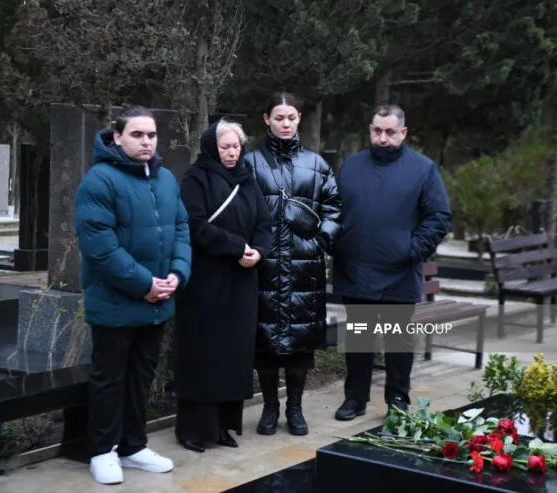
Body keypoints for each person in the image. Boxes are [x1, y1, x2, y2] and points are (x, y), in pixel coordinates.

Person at [75, 105, 191, 485]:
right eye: (137, 135)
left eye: (151, 135)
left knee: (142, 377)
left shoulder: (166, 179)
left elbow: (181, 228)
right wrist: (145, 284)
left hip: (156, 302)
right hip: (116, 302)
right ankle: (103, 450)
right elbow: (100, 248)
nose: (146, 142)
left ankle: (133, 445)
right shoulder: (99, 180)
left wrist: (177, 273)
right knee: (109, 378)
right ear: (117, 137)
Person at [331, 103, 451, 421]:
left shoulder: (423, 169)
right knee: (359, 340)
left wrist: (411, 250)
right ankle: (354, 399)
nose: (382, 138)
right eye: (377, 131)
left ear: (403, 132)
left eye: (390, 132)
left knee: (398, 343)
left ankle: (397, 400)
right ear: (370, 130)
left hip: (399, 273)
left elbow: (439, 216)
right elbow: (333, 210)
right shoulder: (352, 166)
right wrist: (338, 244)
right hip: (356, 271)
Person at [244, 92, 342, 437]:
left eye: (291, 117)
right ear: (267, 119)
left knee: (301, 344)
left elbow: (334, 207)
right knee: (266, 343)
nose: (285, 124)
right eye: (278, 117)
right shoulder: (250, 162)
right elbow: (240, 208)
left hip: (304, 269)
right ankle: (270, 407)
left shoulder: (317, 164)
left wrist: (320, 241)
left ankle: (295, 409)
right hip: (264, 267)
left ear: (299, 118)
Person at [173, 118, 274, 453]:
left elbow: (264, 222)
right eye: (225, 147)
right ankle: (192, 429)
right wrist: (236, 247)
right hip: (206, 280)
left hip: (242, 279)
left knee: (233, 354)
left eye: (236, 147)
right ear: (211, 148)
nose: (232, 153)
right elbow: (194, 224)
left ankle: (222, 426)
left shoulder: (247, 178)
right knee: (203, 353)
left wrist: (258, 251)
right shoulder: (196, 177)